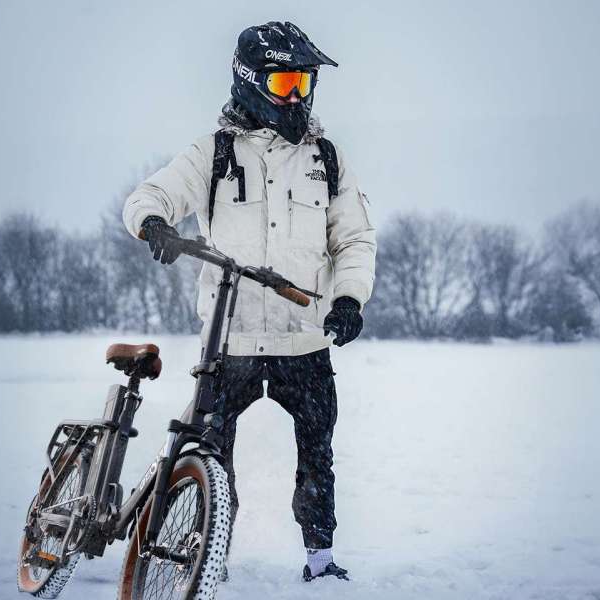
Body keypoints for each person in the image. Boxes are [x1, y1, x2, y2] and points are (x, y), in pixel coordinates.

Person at [121, 21, 376, 582]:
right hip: (228, 343)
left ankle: (321, 558)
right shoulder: (211, 154)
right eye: (285, 82)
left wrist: (350, 299)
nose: (297, 97)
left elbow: (353, 239)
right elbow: (149, 195)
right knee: (212, 455)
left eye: (304, 84)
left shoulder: (325, 159)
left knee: (317, 454)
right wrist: (155, 223)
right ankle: (209, 554)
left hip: (305, 339)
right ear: (250, 80)